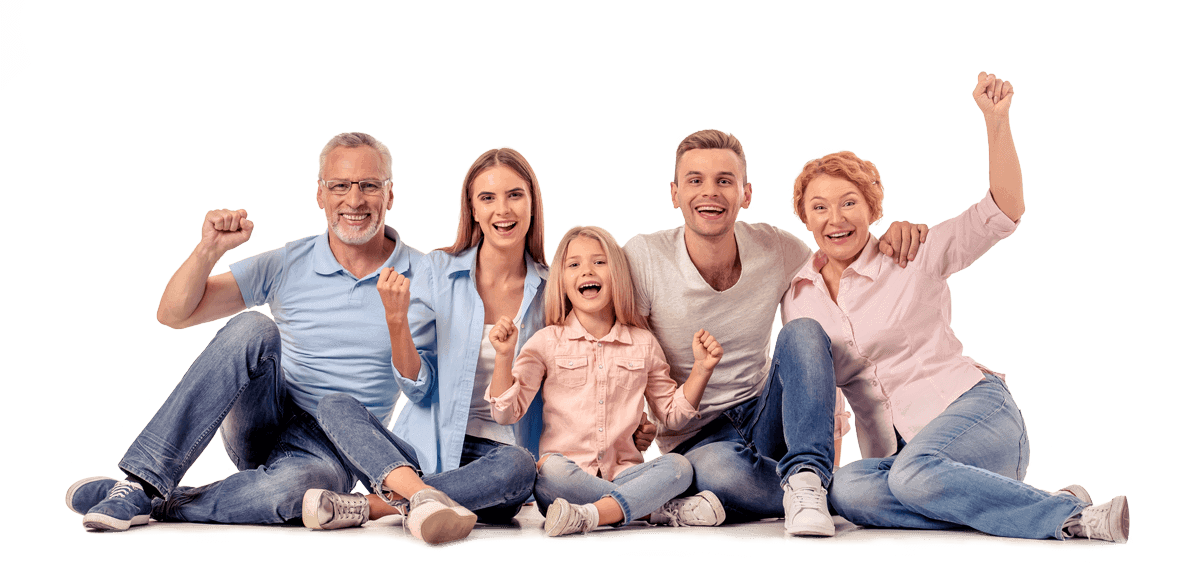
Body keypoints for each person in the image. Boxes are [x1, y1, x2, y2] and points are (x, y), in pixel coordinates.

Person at [63, 132, 466, 537]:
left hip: (336, 450)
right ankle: (142, 480)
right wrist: (209, 250)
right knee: (253, 327)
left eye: (369, 185)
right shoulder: (288, 262)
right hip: (266, 416)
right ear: (320, 195)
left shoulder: (425, 275)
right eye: (340, 185)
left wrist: (397, 321)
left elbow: (420, 392)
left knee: (300, 490)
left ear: (389, 195)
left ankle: (153, 499)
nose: (355, 200)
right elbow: (173, 315)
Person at [784, 72, 1129, 543]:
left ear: (873, 209)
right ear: (804, 216)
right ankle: (1006, 506)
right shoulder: (799, 294)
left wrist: (996, 121)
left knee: (912, 476)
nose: (836, 218)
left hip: (975, 413)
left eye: (849, 203)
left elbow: (1003, 210)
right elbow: (826, 397)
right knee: (846, 490)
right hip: (895, 454)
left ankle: (1072, 517)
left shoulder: (912, 253)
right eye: (819, 207)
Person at [623, 129, 929, 536]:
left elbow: (843, 264)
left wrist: (890, 237)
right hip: (696, 438)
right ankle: (823, 492)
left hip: (765, 416)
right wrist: (629, 431)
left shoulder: (777, 249)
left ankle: (804, 476)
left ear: (746, 193)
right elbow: (625, 351)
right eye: (695, 181)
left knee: (803, 331)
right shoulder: (644, 256)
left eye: (724, 181)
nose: (709, 192)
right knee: (718, 470)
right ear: (675, 193)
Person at [297, 147, 548, 544]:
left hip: (497, 461)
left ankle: (374, 506)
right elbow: (418, 387)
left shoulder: (551, 292)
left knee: (520, 466)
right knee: (333, 406)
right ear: (473, 209)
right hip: (421, 453)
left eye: (515, 194)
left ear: (533, 202)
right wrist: (396, 322)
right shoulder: (438, 270)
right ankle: (420, 495)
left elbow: (572, 381)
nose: (503, 209)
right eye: (488, 197)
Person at [488, 225, 725, 537]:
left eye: (599, 262)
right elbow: (506, 413)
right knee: (550, 470)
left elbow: (671, 415)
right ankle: (651, 508)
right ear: (562, 281)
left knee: (679, 466)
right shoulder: (546, 342)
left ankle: (592, 515)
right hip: (565, 482)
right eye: (574, 265)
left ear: (618, 275)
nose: (587, 270)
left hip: (623, 472)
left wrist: (701, 371)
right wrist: (504, 356)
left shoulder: (644, 343)